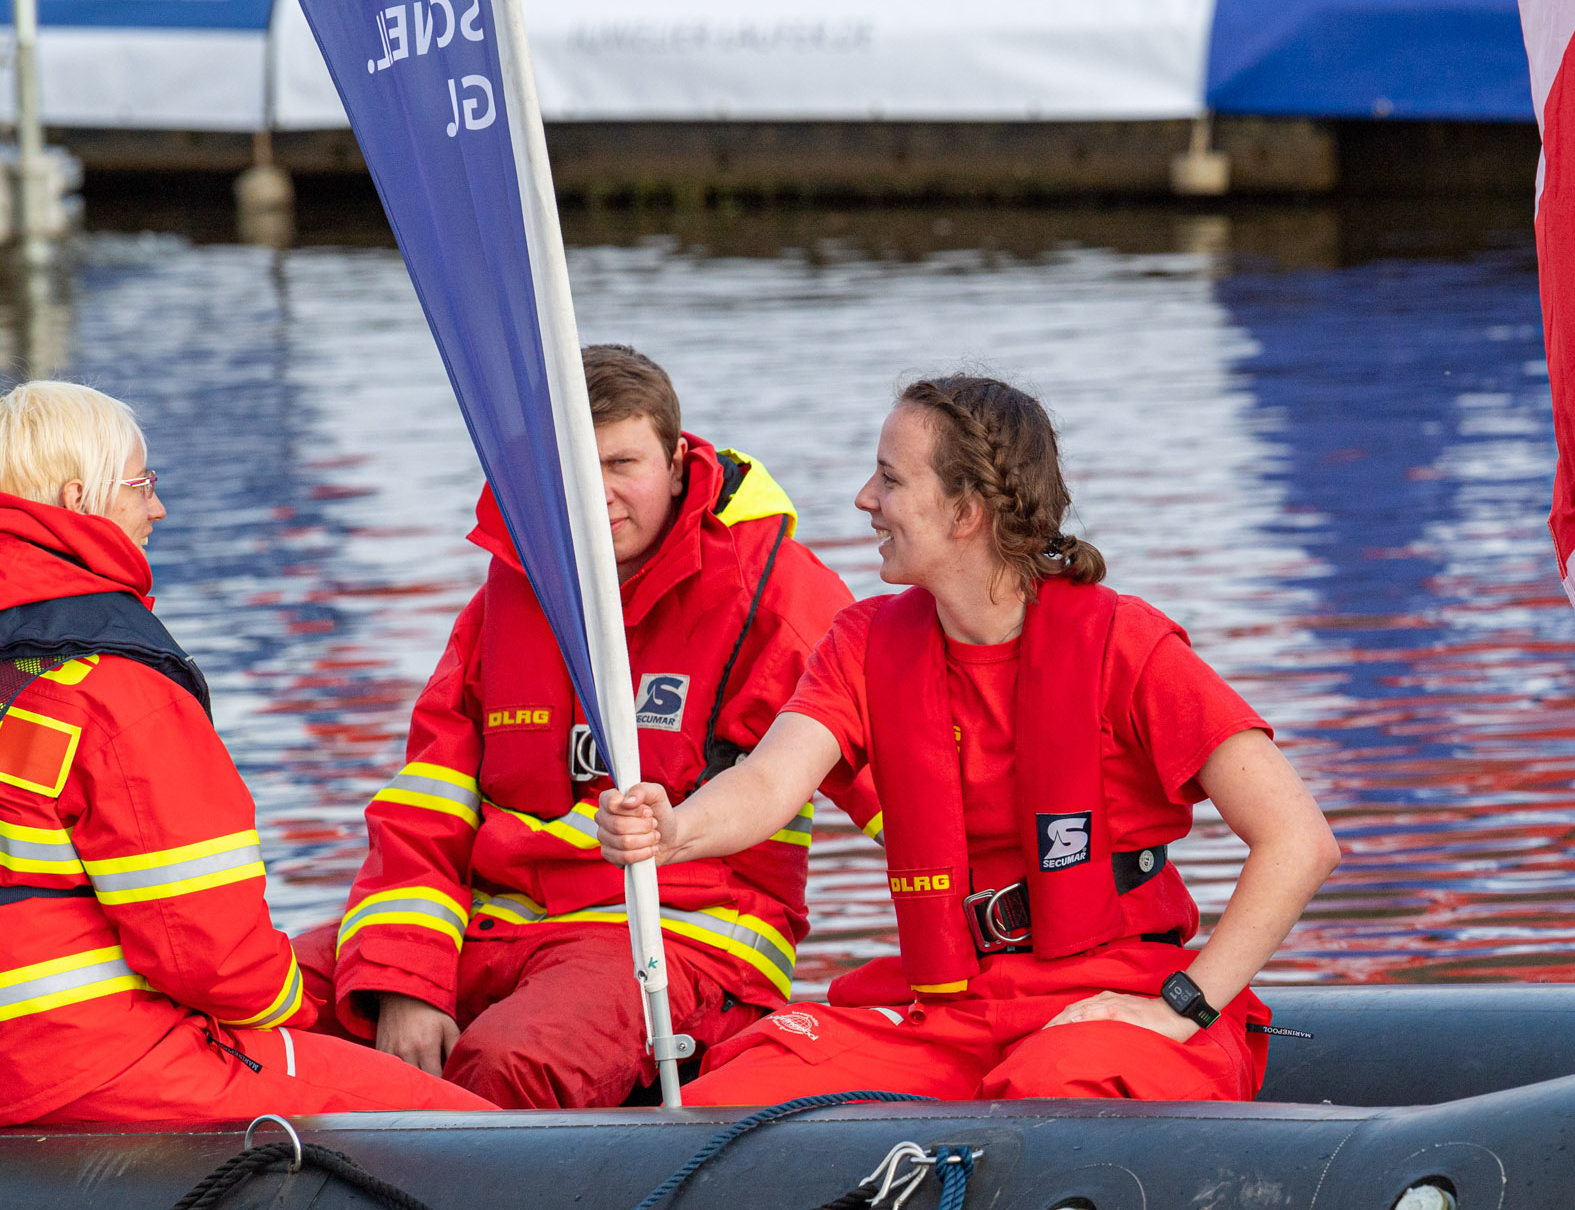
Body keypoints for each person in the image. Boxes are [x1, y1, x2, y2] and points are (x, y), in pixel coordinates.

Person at [596, 375, 1340, 1104]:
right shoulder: (862, 642)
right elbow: (767, 782)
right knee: (734, 1096)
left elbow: (1299, 841)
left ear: (966, 514)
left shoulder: (1126, 643)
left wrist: (1184, 1004)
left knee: (1048, 1091)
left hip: (1113, 1001)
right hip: (948, 1013)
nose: (864, 499)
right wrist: (674, 827)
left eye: (889, 480)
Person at [295, 347, 877, 1107]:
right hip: (493, 926)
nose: (595, 493)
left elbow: (908, 787)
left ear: (675, 463)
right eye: (572, 466)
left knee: (509, 1065)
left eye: (621, 463)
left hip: (676, 934)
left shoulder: (776, 594)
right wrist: (404, 980)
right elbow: (423, 813)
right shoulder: (508, 595)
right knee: (258, 1009)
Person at [0, 381, 491, 1125]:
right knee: (452, 1126)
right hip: (82, 1057)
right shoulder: (116, 688)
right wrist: (304, 1006)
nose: (156, 509)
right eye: (142, 484)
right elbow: (207, 950)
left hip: (29, 1048)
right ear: (78, 499)